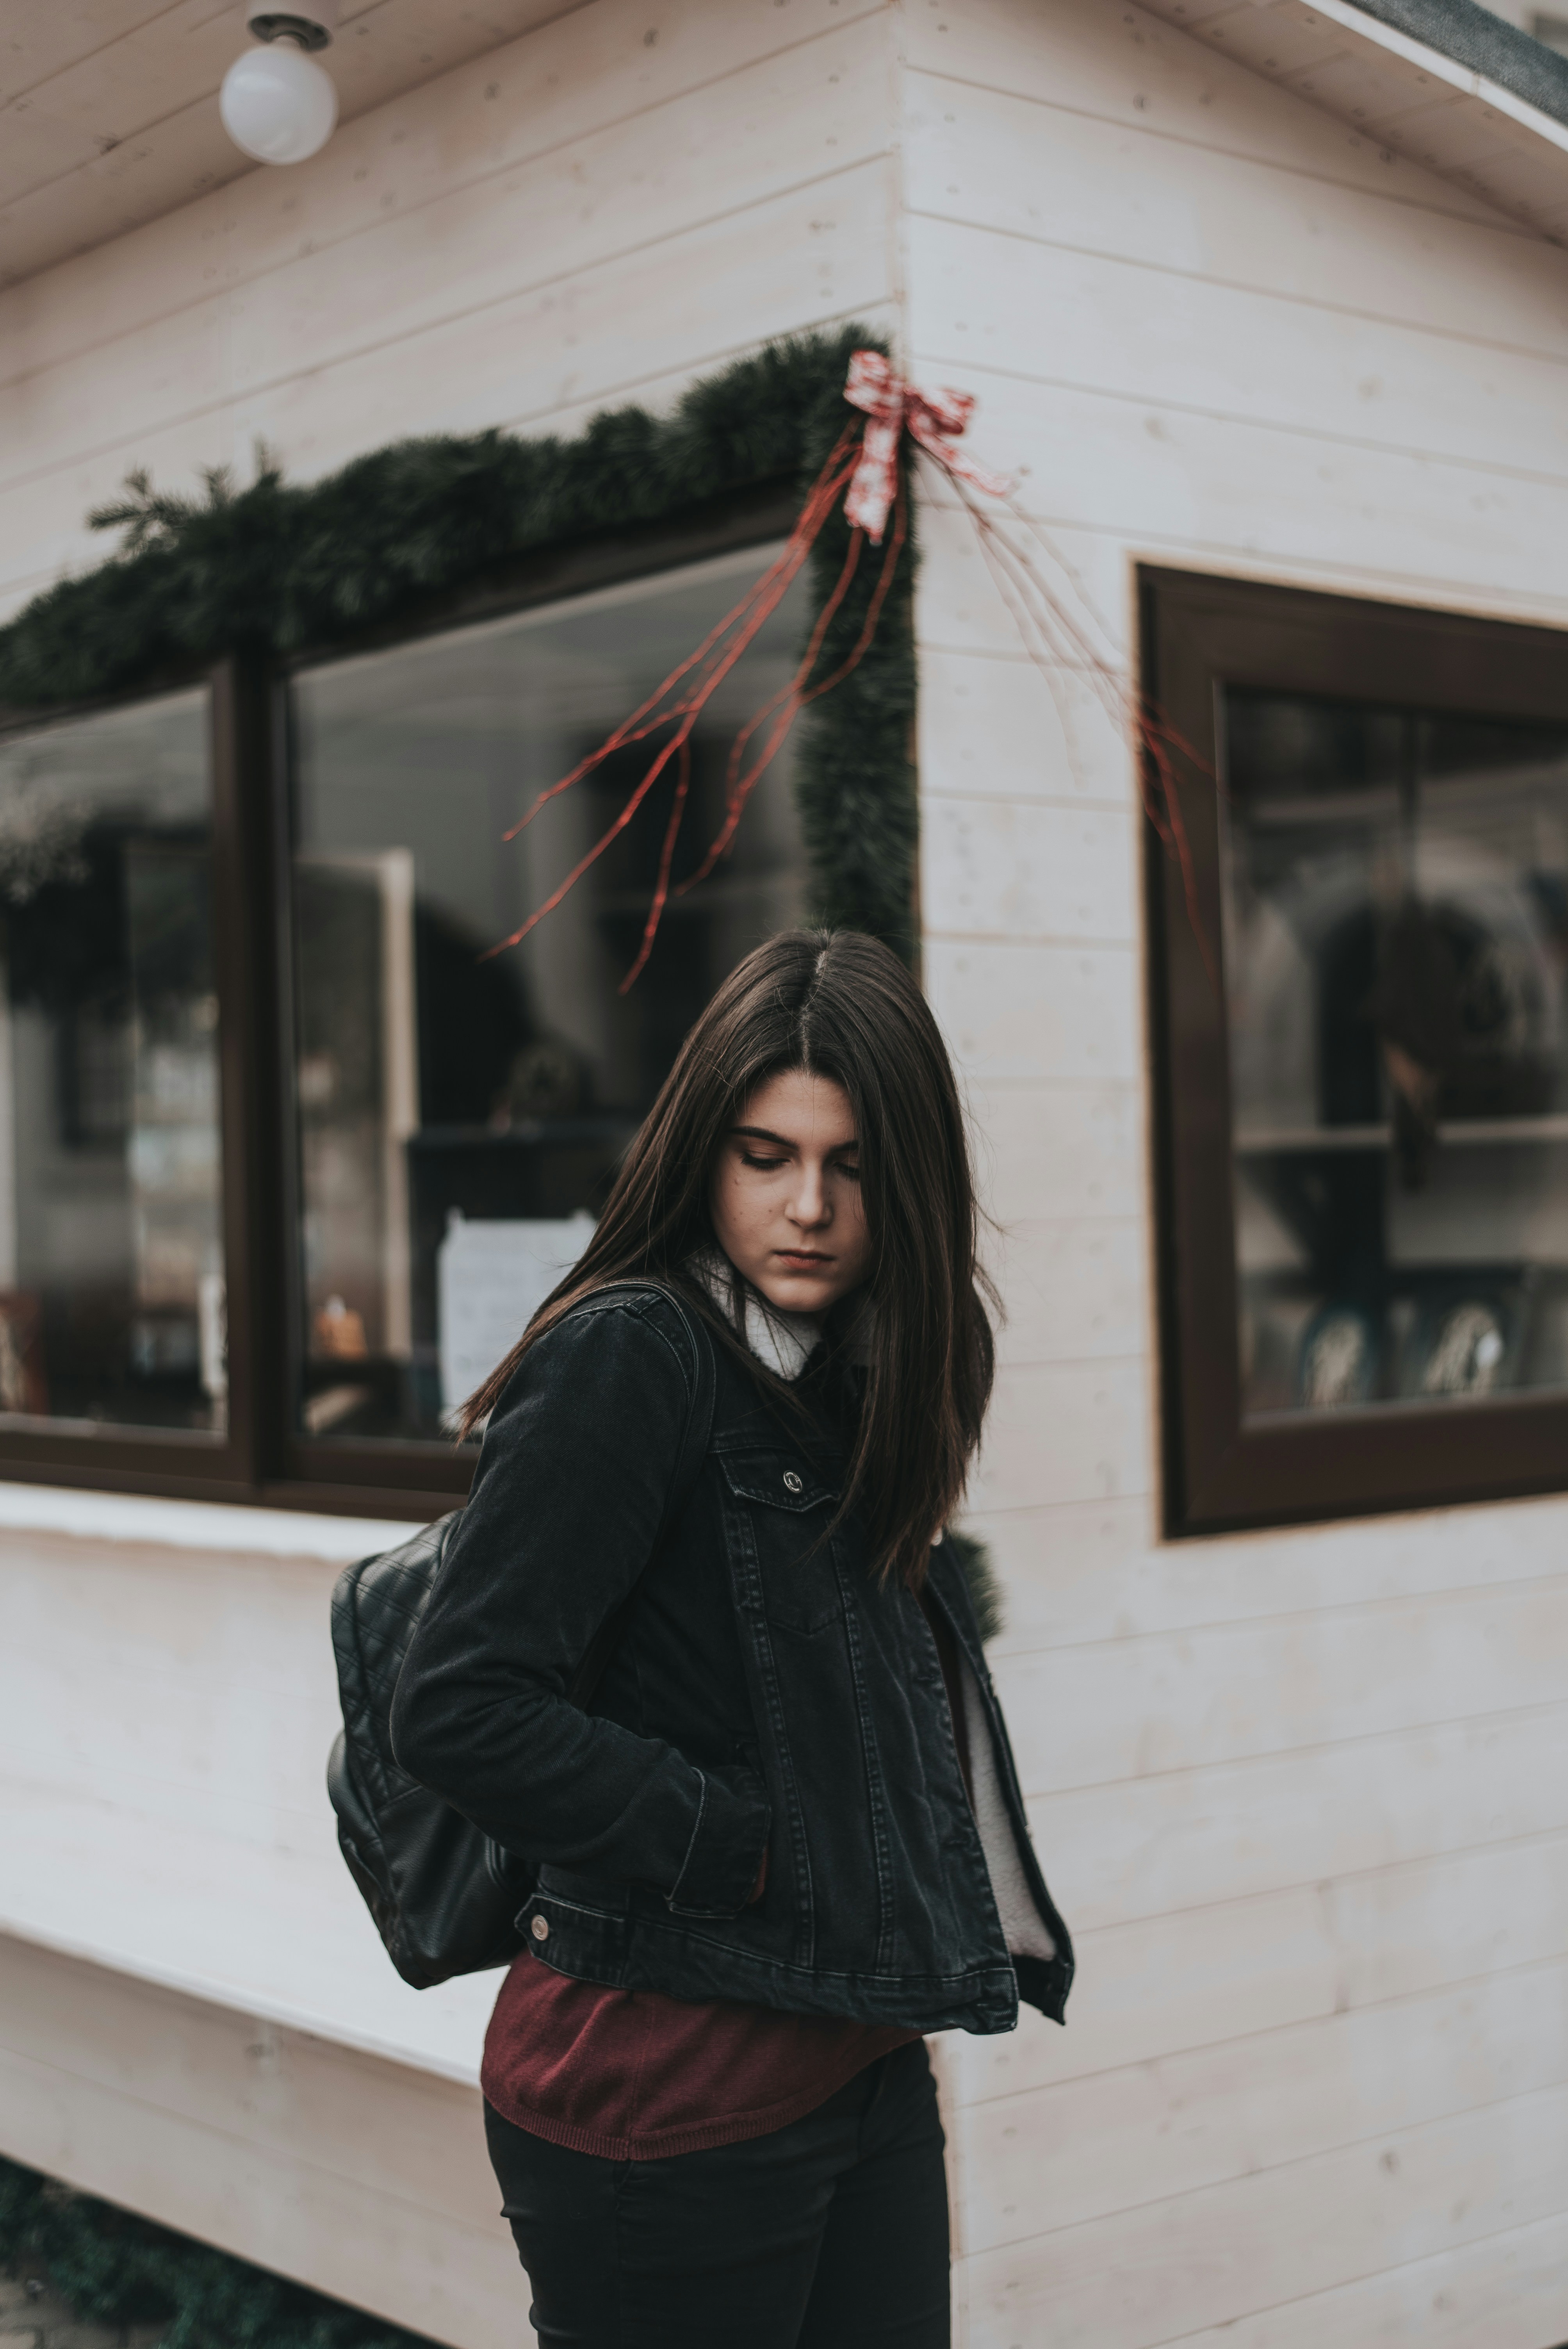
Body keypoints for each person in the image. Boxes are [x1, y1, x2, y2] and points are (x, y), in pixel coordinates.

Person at [391, 928, 1072, 2349]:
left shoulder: (851, 1383)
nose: (809, 1206)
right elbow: (460, 1704)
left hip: (858, 2058)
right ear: (703, 1155)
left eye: (854, 1164)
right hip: (664, 2089)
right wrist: (729, 1842)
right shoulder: (633, 1357)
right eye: (766, 1156)